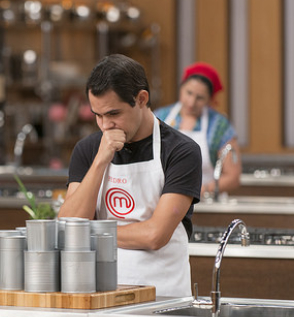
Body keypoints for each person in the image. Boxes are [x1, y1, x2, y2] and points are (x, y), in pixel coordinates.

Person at [58, 54, 202, 297]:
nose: (104, 125)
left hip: (163, 297)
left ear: (141, 99)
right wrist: (101, 160)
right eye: (98, 115)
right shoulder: (88, 150)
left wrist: (90, 230)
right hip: (99, 295)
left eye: (113, 114)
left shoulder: (181, 151)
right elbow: (68, 225)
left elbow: (155, 235)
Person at [155, 62, 242, 197]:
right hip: (161, 198)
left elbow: (232, 177)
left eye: (200, 98)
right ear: (181, 89)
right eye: (188, 93)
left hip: (205, 201)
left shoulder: (219, 126)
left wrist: (197, 192)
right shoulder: (160, 117)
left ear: (209, 100)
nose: (191, 102)